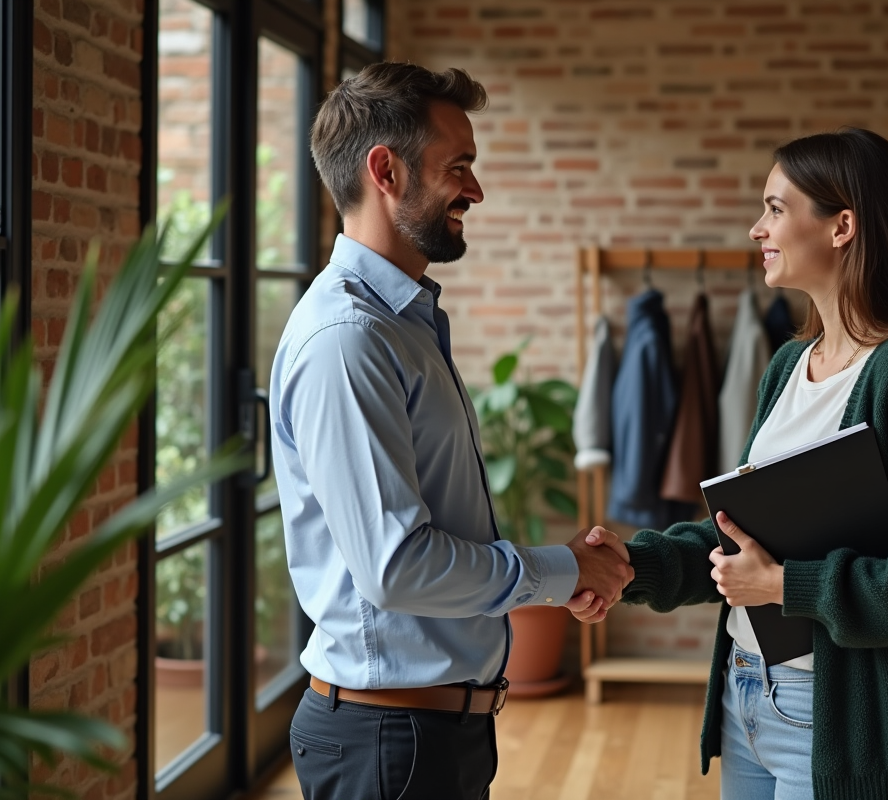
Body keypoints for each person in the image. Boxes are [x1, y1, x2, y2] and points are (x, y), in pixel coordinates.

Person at [571, 128, 888, 800]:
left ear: (842, 227)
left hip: (837, 722)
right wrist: (634, 568)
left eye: (775, 208)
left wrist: (786, 588)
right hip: (748, 691)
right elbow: (743, 539)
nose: (755, 228)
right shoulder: (787, 367)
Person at [270, 62, 632, 800]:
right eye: (458, 167)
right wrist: (560, 572)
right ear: (386, 170)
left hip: (430, 735)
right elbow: (397, 566)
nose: (476, 190)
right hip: (390, 745)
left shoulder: (403, 325)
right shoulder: (349, 339)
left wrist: (565, 578)